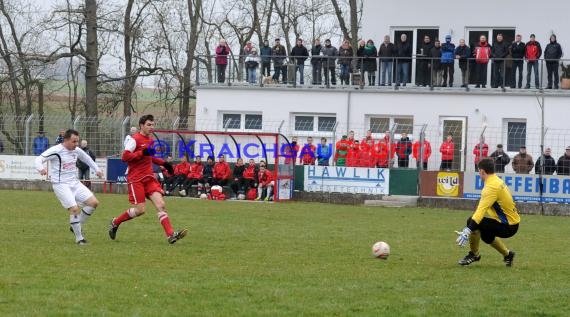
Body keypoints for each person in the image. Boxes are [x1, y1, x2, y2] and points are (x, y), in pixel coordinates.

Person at [108, 114, 186, 244]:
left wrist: (164, 164)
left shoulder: (150, 140)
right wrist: (140, 153)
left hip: (149, 178)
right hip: (136, 179)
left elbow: (150, 157)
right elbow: (125, 157)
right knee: (140, 210)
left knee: (161, 204)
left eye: (153, 124)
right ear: (141, 125)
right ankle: (115, 222)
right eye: (149, 125)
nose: (152, 127)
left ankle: (171, 235)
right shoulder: (134, 140)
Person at [34, 129, 103, 245]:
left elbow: (87, 158)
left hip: (74, 183)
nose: (76, 144)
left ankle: (75, 224)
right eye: (74, 142)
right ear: (66, 140)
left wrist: (97, 169)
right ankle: (79, 239)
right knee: (75, 209)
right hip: (61, 184)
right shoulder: (56, 150)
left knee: (94, 203)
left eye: (77, 142)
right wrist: (40, 168)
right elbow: (38, 159)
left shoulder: (76, 150)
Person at [455, 158, 519, 267]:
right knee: (486, 235)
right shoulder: (496, 180)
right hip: (512, 223)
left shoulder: (491, 187)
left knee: (472, 221)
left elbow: (480, 212)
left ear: (482, 171)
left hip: (508, 226)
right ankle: (508, 255)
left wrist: (468, 230)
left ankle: (474, 255)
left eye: (478, 171)